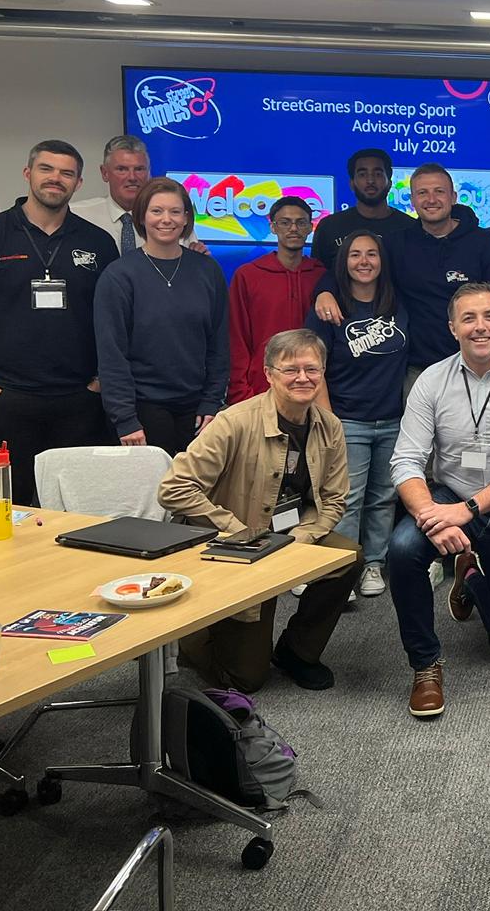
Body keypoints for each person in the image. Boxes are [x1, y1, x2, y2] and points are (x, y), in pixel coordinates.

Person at [387, 283, 490, 718]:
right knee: (404, 549)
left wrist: (466, 512)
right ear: (452, 328)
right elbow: (406, 460)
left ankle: (471, 576)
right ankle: (425, 665)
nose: (479, 327)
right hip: (450, 499)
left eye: (488, 316)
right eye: (468, 318)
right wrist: (432, 516)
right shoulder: (432, 379)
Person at [158, 329, 362, 691]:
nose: (303, 378)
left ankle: (297, 651)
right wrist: (235, 528)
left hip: (288, 536)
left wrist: (305, 535)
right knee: (247, 679)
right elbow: (173, 488)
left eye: (312, 369)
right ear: (269, 374)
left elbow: (334, 500)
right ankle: (191, 638)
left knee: (346, 557)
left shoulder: (330, 426)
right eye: (291, 369)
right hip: (233, 547)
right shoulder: (234, 422)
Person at [0, 140, 118, 507]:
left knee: (80, 510)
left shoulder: (98, 243)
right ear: (28, 174)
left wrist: (99, 383)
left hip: (80, 402)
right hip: (6, 399)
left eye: (66, 173)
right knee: (7, 507)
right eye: (46, 169)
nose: (56, 179)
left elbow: (112, 320)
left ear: (79, 183)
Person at [313, 163, 490, 385]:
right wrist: (325, 291)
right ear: (412, 200)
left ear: (454, 197)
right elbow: (357, 267)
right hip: (418, 370)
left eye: (439, 191)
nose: (431, 199)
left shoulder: (483, 243)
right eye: (422, 193)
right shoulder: (397, 243)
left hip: (476, 366)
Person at [307, 229, 409, 599]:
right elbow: (314, 367)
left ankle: (373, 564)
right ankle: (343, 567)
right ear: (343, 262)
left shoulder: (397, 302)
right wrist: (329, 421)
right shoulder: (329, 307)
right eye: (355, 255)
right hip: (348, 420)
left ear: (383, 261)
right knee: (348, 499)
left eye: (371, 254)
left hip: (393, 420)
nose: (364, 261)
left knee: (384, 497)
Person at [94, 177, 229, 455]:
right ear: (141, 216)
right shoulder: (119, 275)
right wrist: (125, 418)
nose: (166, 219)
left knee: (195, 492)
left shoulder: (207, 270)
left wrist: (212, 402)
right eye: (156, 211)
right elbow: (111, 353)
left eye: (175, 211)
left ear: (186, 218)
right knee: (150, 496)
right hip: (141, 409)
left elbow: (219, 343)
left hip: (197, 409)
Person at [0, 134, 202, 257]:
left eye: (139, 169)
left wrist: (197, 259)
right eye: (121, 169)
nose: (132, 177)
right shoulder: (75, 215)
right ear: (104, 173)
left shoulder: (171, 222)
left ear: (149, 173)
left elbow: (188, 266)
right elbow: (34, 222)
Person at [226, 196, 324, 405]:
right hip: (260, 391)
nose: (293, 228)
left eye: (301, 222)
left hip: (313, 390)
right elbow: (237, 337)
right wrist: (241, 393)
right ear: (273, 227)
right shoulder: (248, 275)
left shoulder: (322, 277)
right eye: (285, 222)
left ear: (310, 228)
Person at [312, 148, 414, 271]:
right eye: (362, 174)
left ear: (389, 183)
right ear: (352, 183)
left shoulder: (410, 228)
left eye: (377, 174)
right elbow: (318, 278)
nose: (370, 180)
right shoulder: (329, 227)